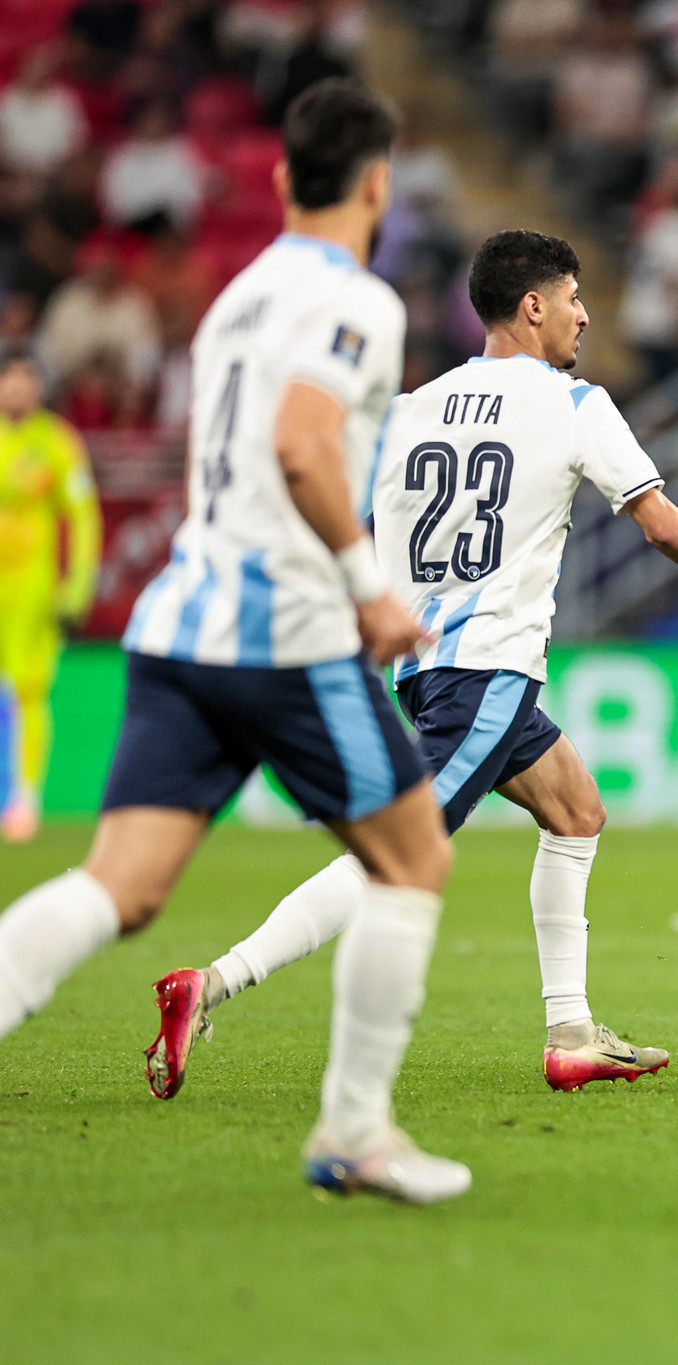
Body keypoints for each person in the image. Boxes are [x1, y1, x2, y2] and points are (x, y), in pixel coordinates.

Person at [148, 230, 678, 1096]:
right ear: (532, 305)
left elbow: (324, 506)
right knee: (401, 850)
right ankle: (215, 981)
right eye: (573, 295)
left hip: (428, 668)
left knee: (576, 809)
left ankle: (571, 1029)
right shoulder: (574, 403)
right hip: (489, 667)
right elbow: (660, 522)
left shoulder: (409, 409)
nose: (584, 313)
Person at [0, 78, 468, 1203]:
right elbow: (304, 446)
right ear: (375, 183)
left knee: (122, 885)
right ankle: (354, 1130)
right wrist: (368, 590)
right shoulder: (356, 302)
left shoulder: (236, 296)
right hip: (285, 635)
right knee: (413, 857)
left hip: (178, 623)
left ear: (274, 178)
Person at [0, 352, 101, 841]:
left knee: (27, 692)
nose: (16, 391)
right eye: (9, 381)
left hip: (31, 594)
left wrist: (76, 587)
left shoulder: (56, 442)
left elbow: (83, 517)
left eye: (25, 381)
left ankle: (24, 799)